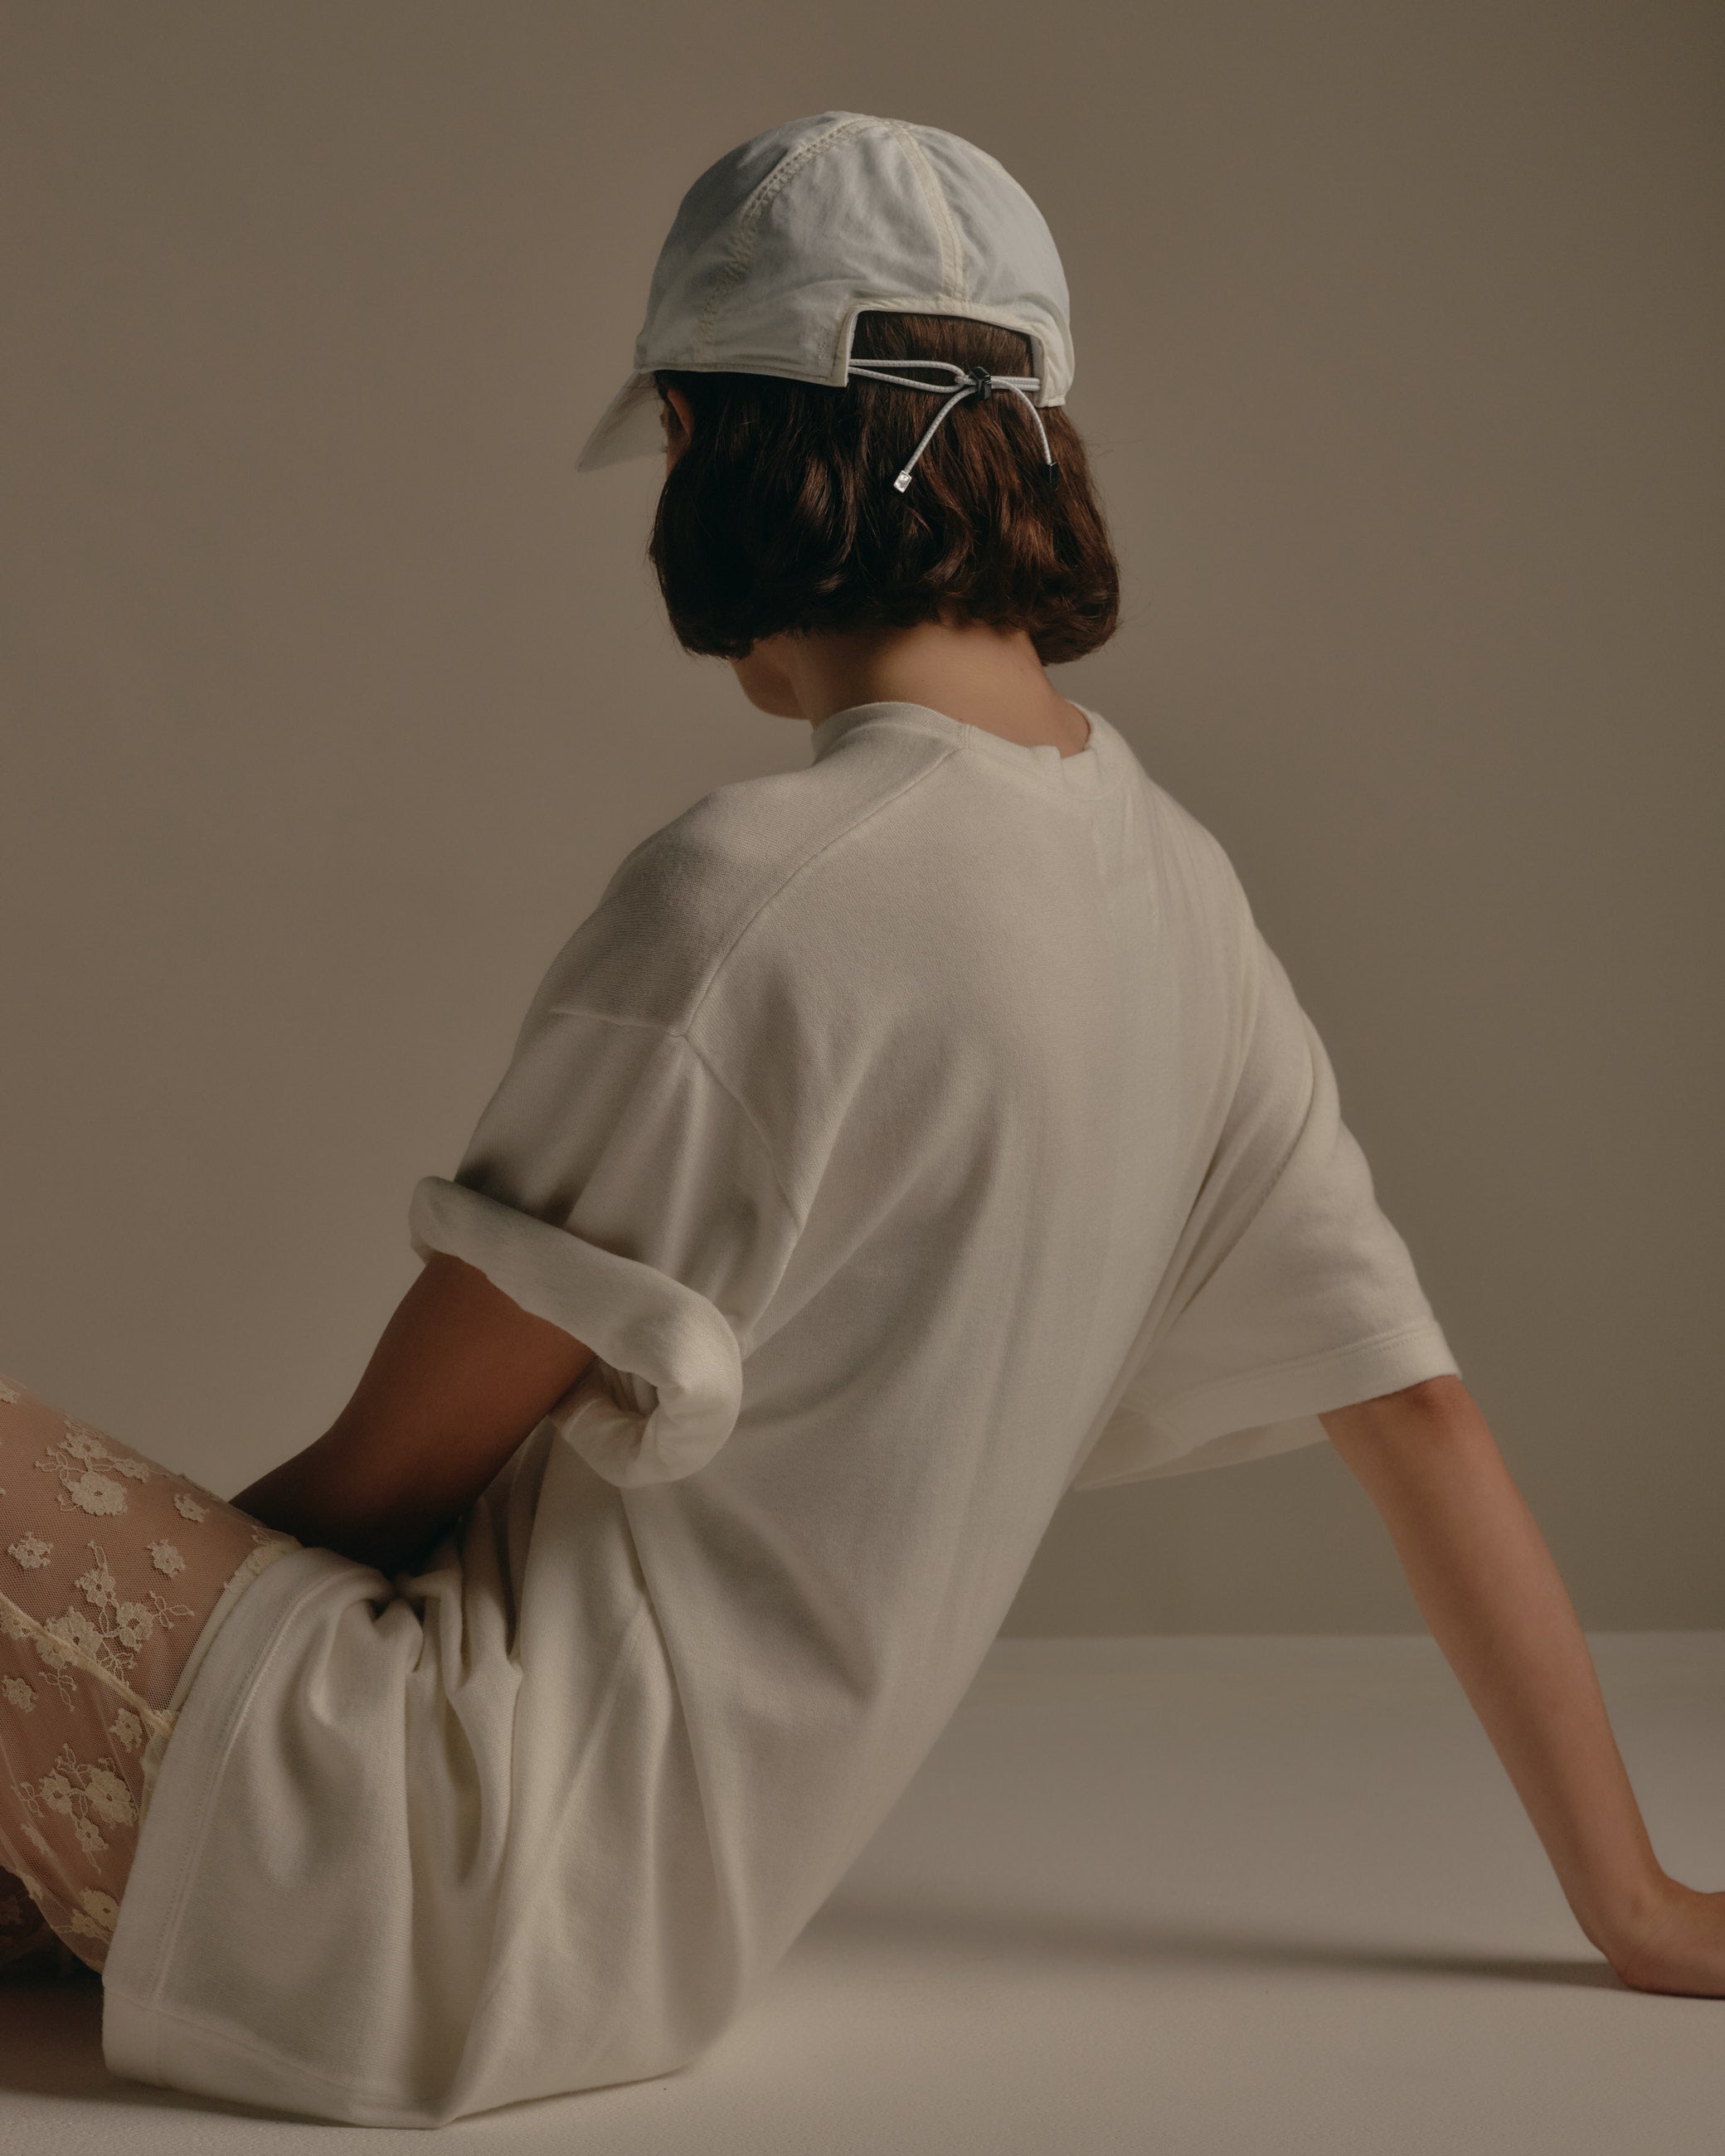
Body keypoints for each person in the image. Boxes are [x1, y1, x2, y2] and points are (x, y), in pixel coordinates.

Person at [2, 108, 1719, 2125]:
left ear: (709, 440)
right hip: (653, 1947)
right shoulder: (1181, 898)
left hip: (412, 1863)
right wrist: (1631, 1899)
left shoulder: (750, 903)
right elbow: (1415, 1411)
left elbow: (380, 1491)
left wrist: (93, 1639)